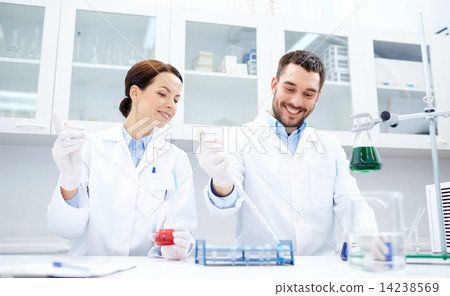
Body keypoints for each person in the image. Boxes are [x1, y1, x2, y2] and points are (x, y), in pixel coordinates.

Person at [196, 50, 377, 256]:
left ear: (317, 97)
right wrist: (221, 181)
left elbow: (351, 202)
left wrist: (366, 233)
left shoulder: (329, 145)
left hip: (318, 270)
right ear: (274, 85)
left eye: (308, 94)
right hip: (260, 269)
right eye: (289, 88)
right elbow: (222, 210)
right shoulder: (239, 138)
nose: (296, 102)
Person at [48, 60, 197, 259]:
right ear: (135, 93)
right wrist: (68, 179)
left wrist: (177, 246)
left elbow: (182, 225)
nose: (171, 105)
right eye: (162, 94)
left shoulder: (176, 159)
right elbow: (65, 228)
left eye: (177, 99)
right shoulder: (90, 147)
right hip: (90, 271)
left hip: (148, 274)